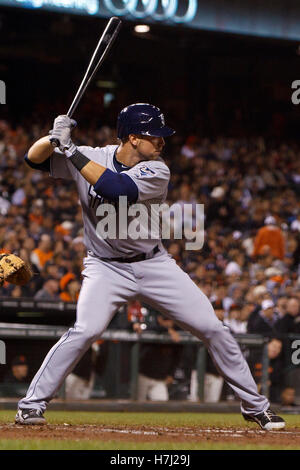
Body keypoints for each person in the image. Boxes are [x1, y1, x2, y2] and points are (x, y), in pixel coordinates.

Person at [15, 104, 285, 430]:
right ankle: (31, 405)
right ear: (132, 137)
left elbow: (117, 190)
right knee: (85, 330)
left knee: (213, 328)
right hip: (105, 267)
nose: (161, 142)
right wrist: (51, 137)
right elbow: (33, 159)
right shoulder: (90, 154)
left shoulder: (157, 170)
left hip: (154, 265)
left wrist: (69, 149)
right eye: (154, 136)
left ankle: (256, 407)